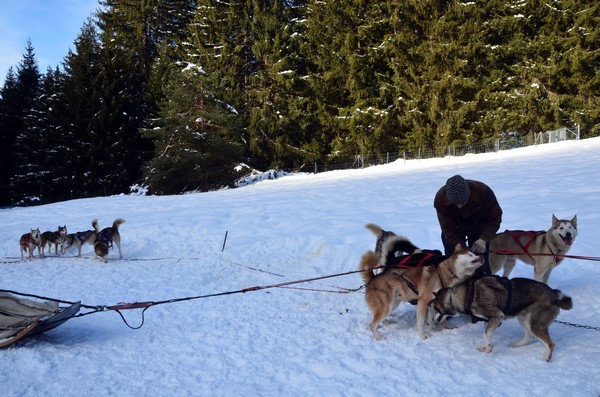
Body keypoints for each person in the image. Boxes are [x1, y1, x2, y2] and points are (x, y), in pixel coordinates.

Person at [433, 175, 502, 276]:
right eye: (455, 203)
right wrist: (461, 247)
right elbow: (448, 229)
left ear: (468, 194)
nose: (460, 206)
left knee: (480, 264)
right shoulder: (441, 198)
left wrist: (483, 239)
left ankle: (481, 283)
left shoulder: (483, 192)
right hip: (455, 230)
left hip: (478, 228)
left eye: (462, 202)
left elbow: (494, 219)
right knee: (453, 261)